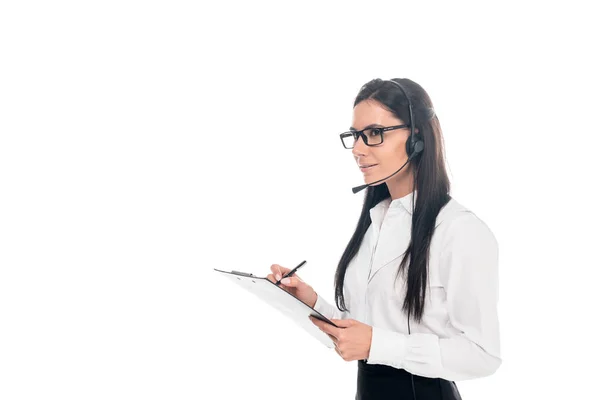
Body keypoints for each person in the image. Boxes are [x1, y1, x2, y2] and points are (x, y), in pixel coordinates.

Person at [267, 78, 501, 400]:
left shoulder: (459, 231)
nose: (359, 149)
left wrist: (379, 345)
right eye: (355, 136)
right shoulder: (375, 222)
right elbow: (365, 333)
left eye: (374, 134)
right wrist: (311, 304)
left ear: (416, 137)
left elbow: (482, 354)